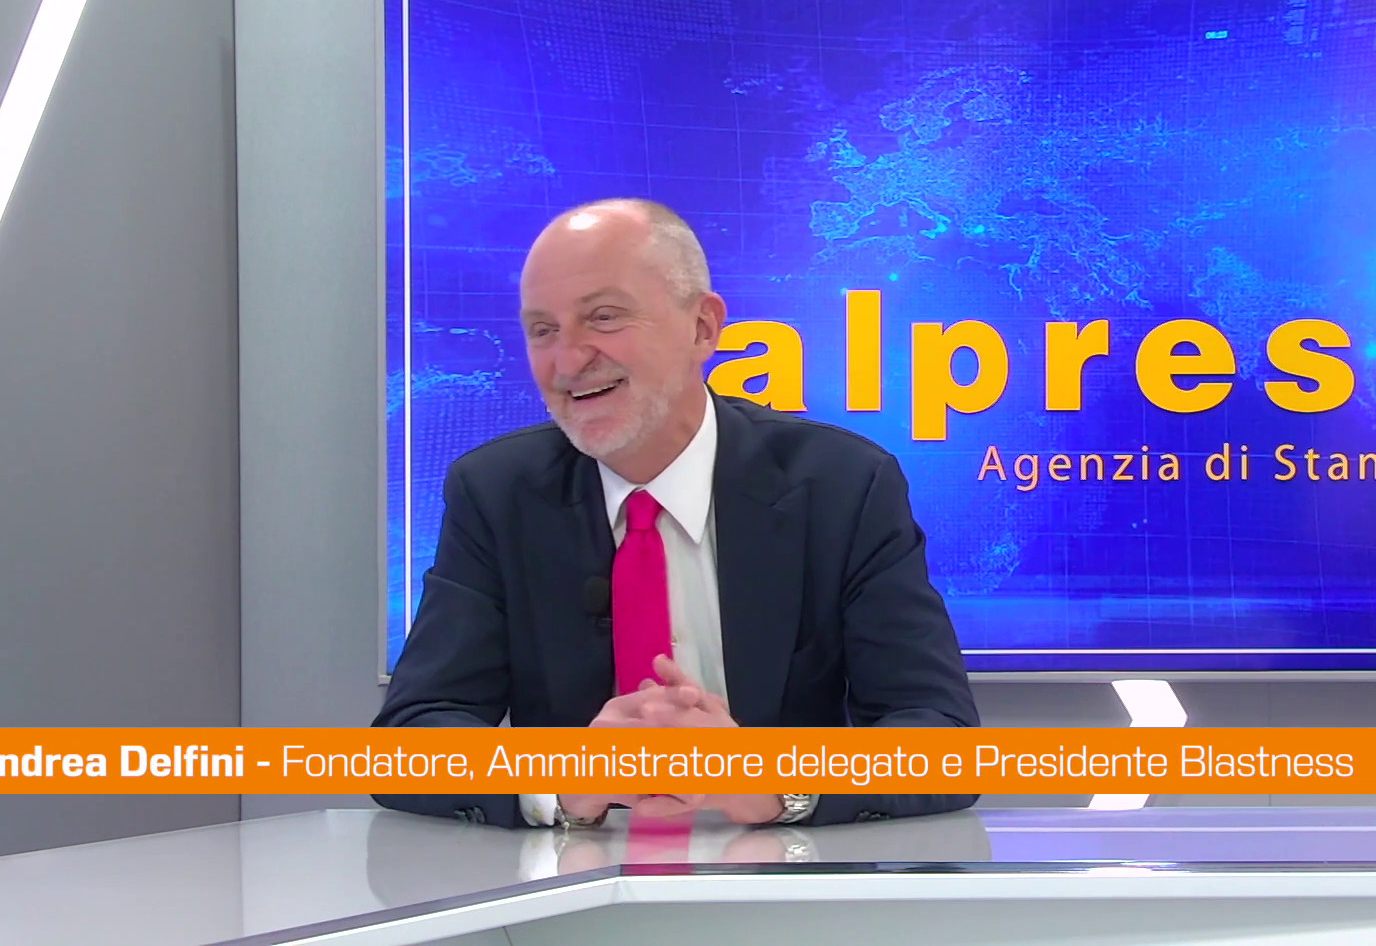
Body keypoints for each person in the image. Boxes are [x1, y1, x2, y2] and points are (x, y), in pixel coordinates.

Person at [372, 198, 979, 829]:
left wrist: (771, 781)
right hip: (571, 877)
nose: (568, 361)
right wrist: (564, 780)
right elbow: (406, 745)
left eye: (604, 317)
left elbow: (944, 744)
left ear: (703, 328)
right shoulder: (497, 493)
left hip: (781, 870)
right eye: (543, 330)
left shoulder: (842, 486)